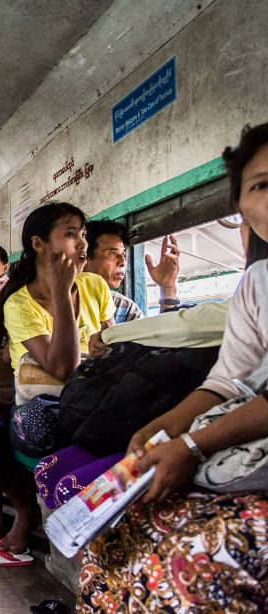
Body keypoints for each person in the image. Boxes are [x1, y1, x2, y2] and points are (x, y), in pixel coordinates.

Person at [79, 123, 268, 612]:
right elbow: (227, 380)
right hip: (233, 438)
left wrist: (191, 444)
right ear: (241, 209)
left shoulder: (123, 310)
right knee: (116, 529)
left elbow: (183, 329)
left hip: (236, 442)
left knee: (189, 560)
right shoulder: (257, 283)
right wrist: (162, 430)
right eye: (262, 185)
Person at [0, 201, 114, 560]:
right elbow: (62, 367)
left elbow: (111, 345)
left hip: (92, 395)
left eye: (83, 234)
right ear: (38, 244)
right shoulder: (18, 303)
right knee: (10, 431)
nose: (82, 243)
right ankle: (27, 511)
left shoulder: (94, 286)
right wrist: (61, 292)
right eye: (70, 234)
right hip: (44, 401)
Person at [83, 220, 181, 323]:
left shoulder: (124, 307)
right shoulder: (71, 300)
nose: (123, 262)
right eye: (113, 253)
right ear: (84, 258)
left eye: (123, 255)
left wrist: (167, 287)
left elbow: (162, 333)